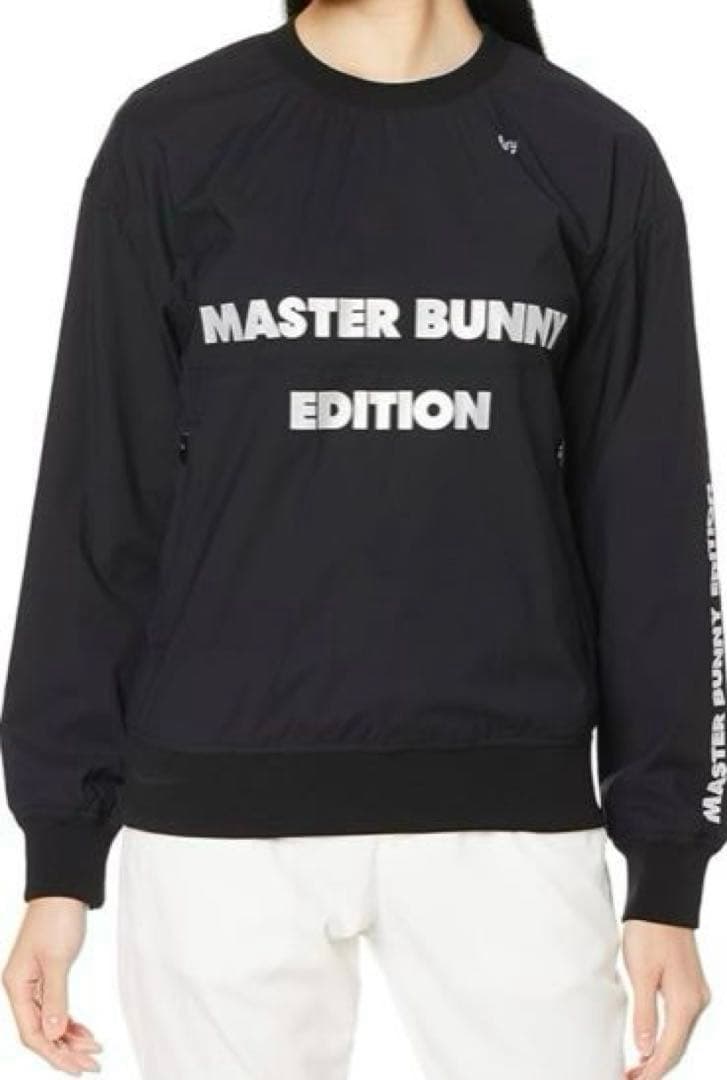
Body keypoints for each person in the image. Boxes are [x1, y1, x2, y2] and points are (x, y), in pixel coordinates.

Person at [1, 0, 724, 1077]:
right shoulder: (176, 138)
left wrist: (665, 870)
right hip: (215, 830)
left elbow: (651, 517)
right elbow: (98, 499)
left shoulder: (589, 150)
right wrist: (60, 859)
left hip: (507, 820)